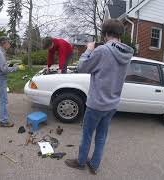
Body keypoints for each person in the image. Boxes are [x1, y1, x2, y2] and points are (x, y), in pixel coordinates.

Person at [64, 19, 134, 175]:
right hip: (112, 104)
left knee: (87, 135)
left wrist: (88, 50)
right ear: (119, 35)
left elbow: (82, 67)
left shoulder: (102, 50)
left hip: (96, 104)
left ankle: (81, 162)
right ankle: (94, 165)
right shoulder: (127, 53)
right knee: (101, 136)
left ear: (106, 35)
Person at [0, 36, 23, 127]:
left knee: (2, 97)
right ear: (4, 43)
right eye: (8, 43)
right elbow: (4, 69)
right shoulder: (0, 53)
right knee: (4, 100)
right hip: (0, 78)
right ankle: (4, 121)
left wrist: (12, 65)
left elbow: (3, 65)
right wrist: (16, 68)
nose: (9, 44)